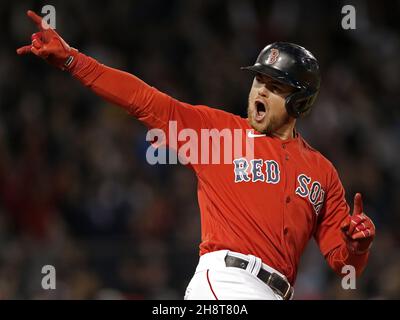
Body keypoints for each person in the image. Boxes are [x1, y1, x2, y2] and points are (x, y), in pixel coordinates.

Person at [17, 10, 376, 300]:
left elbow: (342, 263)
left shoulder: (322, 172)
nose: (260, 91)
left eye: (275, 86)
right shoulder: (217, 133)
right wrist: (72, 61)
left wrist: (357, 245)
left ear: (300, 101)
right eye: (258, 81)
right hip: (228, 283)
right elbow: (144, 100)